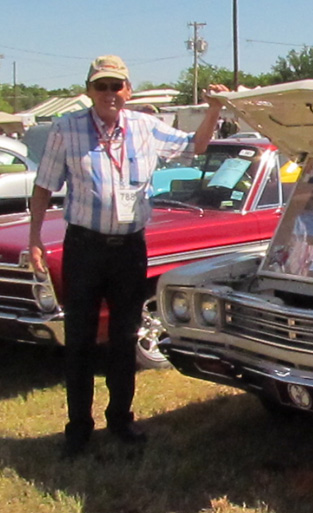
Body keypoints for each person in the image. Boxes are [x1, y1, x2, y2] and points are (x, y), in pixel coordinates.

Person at [28, 55, 228, 457]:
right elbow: (44, 187)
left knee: (124, 338)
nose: (109, 94)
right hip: (84, 248)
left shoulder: (145, 126)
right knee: (81, 340)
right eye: (101, 86)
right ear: (89, 91)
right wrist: (34, 239)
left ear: (128, 90)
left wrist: (214, 109)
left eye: (116, 86)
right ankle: (78, 428)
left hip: (130, 250)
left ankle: (121, 420)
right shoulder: (65, 130)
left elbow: (195, 147)